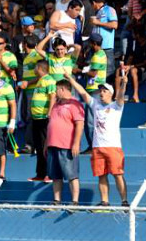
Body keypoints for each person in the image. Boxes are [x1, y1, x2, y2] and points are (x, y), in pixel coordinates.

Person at [68, 73, 129, 206]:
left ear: (110, 94)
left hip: (113, 147)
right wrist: (71, 79)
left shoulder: (117, 106)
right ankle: (104, 202)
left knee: (118, 174)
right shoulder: (95, 104)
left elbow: (120, 95)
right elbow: (83, 92)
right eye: (100, 90)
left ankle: (124, 201)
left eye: (104, 91)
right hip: (97, 147)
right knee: (101, 175)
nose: (101, 93)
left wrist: (123, 83)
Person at [46, 77, 85, 205]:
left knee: (72, 175)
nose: (55, 92)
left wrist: (76, 143)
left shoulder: (75, 104)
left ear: (63, 89)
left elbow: (80, 124)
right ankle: (56, 200)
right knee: (55, 176)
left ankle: (75, 201)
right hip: (53, 145)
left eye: (57, 89)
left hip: (67, 146)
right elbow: (50, 124)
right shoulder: (56, 105)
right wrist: (46, 143)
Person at [26, 60, 56, 181]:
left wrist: (49, 113)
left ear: (39, 68)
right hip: (36, 118)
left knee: (46, 147)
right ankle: (40, 173)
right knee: (38, 147)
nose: (34, 69)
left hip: (44, 118)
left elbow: (52, 96)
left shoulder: (49, 80)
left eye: (35, 67)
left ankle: (49, 174)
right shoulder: (40, 80)